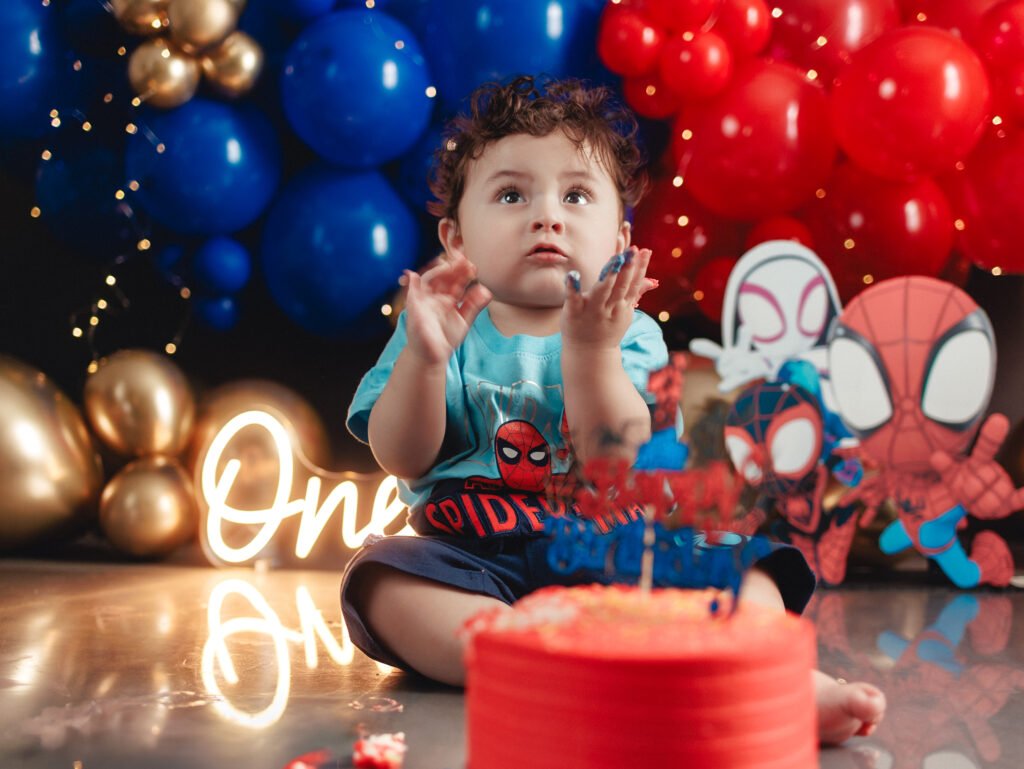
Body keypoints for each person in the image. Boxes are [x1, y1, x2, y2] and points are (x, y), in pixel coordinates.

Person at [341, 75, 885, 744]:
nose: (547, 216)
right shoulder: (437, 326)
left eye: (575, 195)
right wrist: (426, 361)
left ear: (620, 238)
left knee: (748, 565)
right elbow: (403, 455)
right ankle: (530, 657)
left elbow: (617, 461)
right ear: (456, 239)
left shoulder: (631, 333)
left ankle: (768, 677)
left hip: (624, 555)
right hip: (477, 564)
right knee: (380, 579)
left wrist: (591, 351)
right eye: (511, 195)